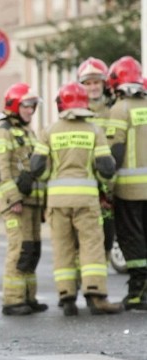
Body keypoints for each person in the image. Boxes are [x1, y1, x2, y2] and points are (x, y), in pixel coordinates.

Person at [30, 82, 122, 315]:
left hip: (57, 203)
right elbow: (106, 168)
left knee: (63, 247)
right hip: (86, 201)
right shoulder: (93, 131)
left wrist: (52, 174)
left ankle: (67, 296)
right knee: (91, 247)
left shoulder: (49, 131)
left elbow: (37, 168)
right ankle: (95, 296)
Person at [0, 83, 47, 315]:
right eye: (26, 105)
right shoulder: (3, 131)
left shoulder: (28, 132)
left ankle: (28, 297)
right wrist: (13, 198)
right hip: (16, 203)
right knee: (19, 249)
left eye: (33, 106)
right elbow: (2, 169)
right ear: (14, 105)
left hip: (32, 201)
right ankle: (12, 300)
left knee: (33, 249)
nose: (30, 110)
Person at [105, 55, 147, 310]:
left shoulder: (120, 109)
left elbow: (116, 154)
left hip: (129, 189)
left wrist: (107, 187)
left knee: (132, 238)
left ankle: (138, 291)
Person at [78, 57, 117, 260]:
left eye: (96, 82)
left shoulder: (114, 111)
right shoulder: (76, 114)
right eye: (88, 83)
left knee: (108, 239)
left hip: (111, 184)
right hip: (87, 187)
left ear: (104, 84)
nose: (92, 87)